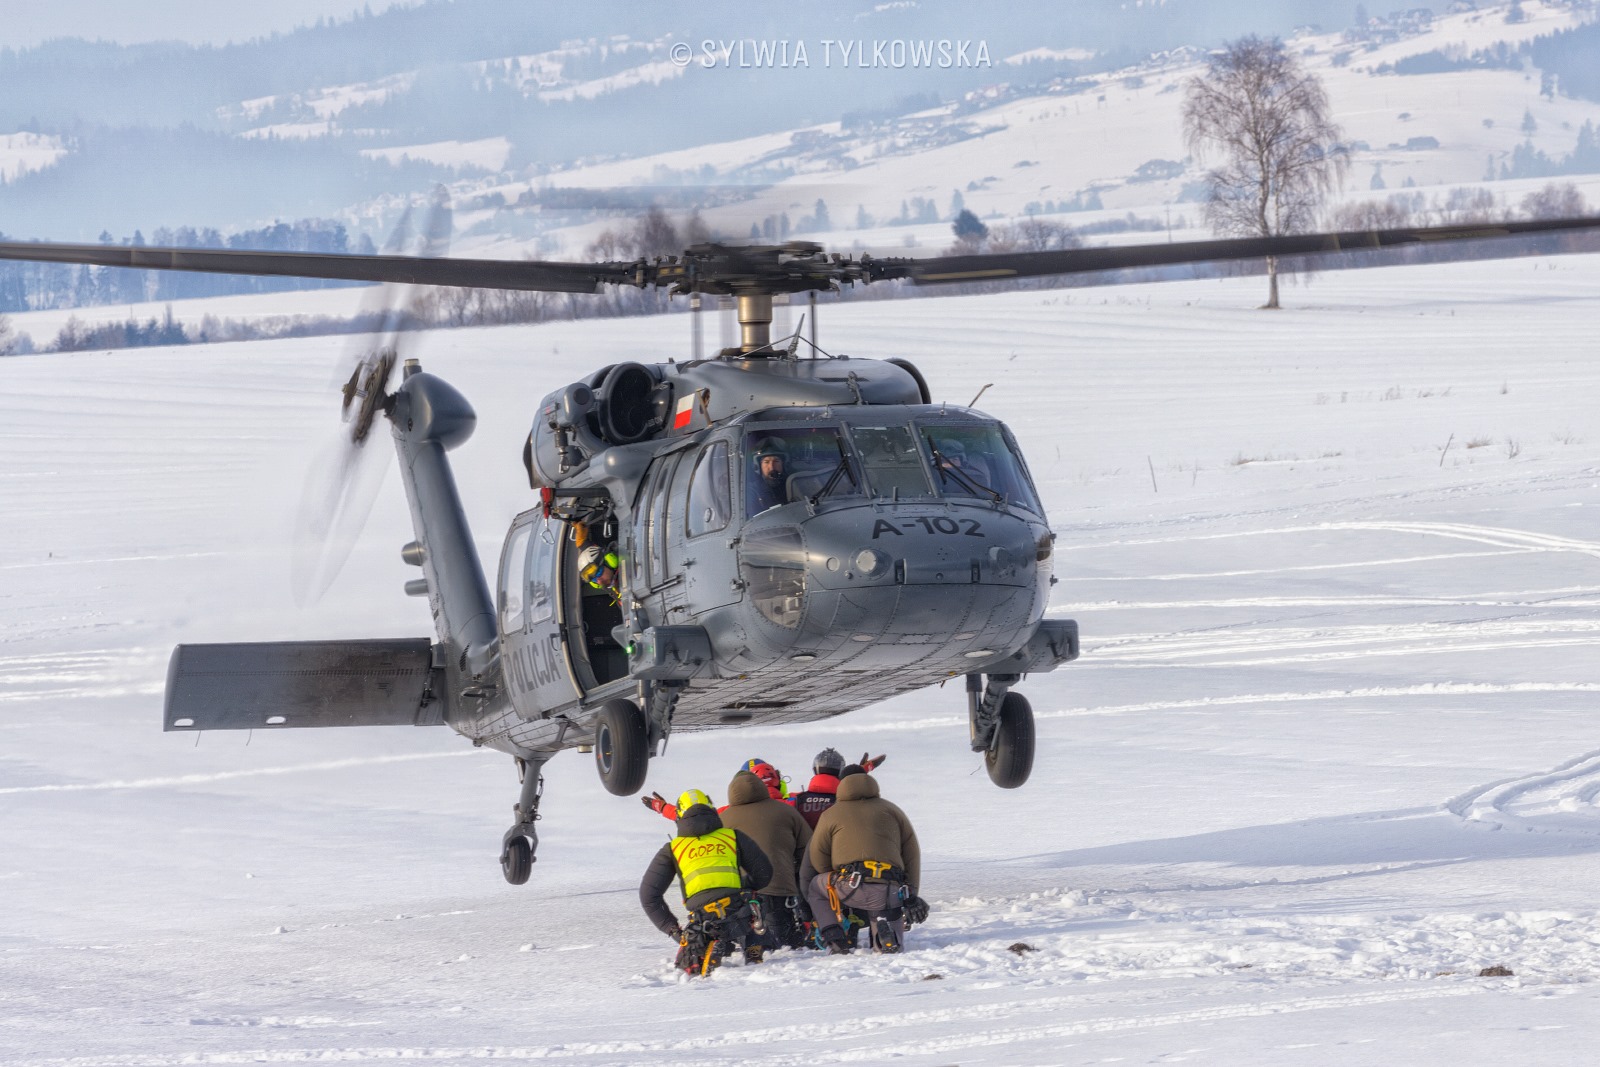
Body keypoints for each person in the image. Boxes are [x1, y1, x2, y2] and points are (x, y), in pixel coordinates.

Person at [639, 788, 774, 975]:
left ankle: (706, 949)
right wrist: (744, 886)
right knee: (752, 902)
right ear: (711, 808)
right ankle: (753, 946)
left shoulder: (673, 849)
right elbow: (764, 873)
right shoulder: (732, 837)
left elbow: (648, 895)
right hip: (738, 912)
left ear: (680, 816)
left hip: (703, 918)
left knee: (688, 962)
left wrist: (674, 931)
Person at [801, 765, 927, 955]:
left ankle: (835, 936)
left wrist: (835, 875)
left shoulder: (831, 814)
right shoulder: (893, 810)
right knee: (888, 940)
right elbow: (912, 855)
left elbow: (818, 859)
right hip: (891, 889)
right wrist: (910, 894)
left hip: (851, 886)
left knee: (816, 887)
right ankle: (884, 937)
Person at [717, 769, 814, 951]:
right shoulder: (787, 811)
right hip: (781, 892)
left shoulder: (723, 820)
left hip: (738, 897)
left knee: (751, 942)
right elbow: (809, 849)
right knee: (786, 943)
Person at [792, 749, 888, 830]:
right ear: (840, 770)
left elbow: (777, 800)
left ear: (815, 769)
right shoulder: (849, 801)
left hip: (800, 851)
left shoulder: (795, 800)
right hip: (839, 850)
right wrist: (858, 773)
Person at [747, 437, 789, 514]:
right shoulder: (752, 490)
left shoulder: (791, 485)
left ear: (784, 464)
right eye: (766, 462)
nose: (772, 467)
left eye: (776, 461)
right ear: (758, 466)